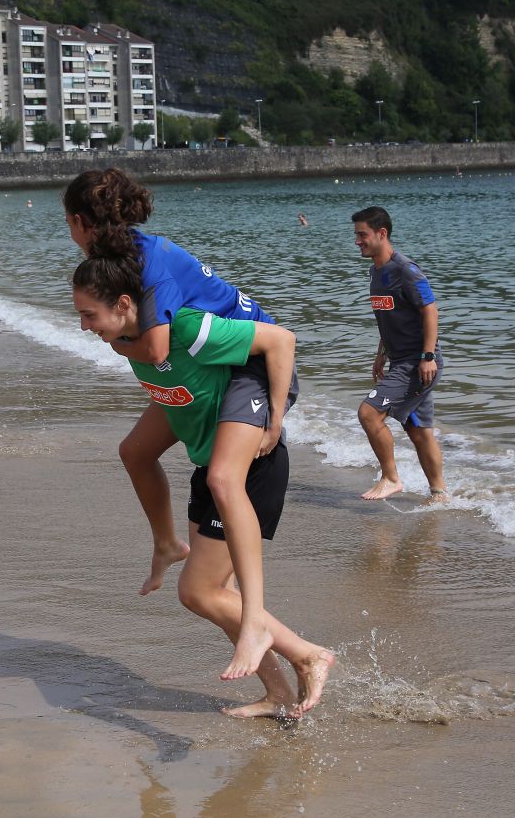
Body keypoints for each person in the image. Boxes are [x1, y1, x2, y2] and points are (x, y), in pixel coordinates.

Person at [72, 247, 333, 716]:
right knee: (215, 594)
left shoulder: (188, 329)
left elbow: (280, 340)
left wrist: (274, 419)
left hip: (249, 472)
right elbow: (180, 401)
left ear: (126, 304)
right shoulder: (128, 343)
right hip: (207, 469)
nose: (84, 326)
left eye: (90, 315)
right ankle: (278, 693)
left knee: (200, 592)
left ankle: (307, 654)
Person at [64, 167, 293, 682]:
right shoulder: (114, 263)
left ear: (81, 221)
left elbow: (158, 347)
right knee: (135, 451)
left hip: (249, 362)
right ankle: (167, 543)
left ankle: (257, 618)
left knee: (221, 478)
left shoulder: (150, 261)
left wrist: (276, 417)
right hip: (208, 367)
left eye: (69, 225)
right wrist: (112, 329)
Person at [352, 207, 448, 504]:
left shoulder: (405, 269)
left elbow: (430, 310)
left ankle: (391, 478)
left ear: (382, 233)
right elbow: (389, 316)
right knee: (419, 430)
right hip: (400, 360)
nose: (357, 241)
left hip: (417, 363)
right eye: (356, 235)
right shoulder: (376, 272)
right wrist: (381, 353)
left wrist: (428, 356)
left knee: (368, 413)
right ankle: (440, 494)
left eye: (362, 235)